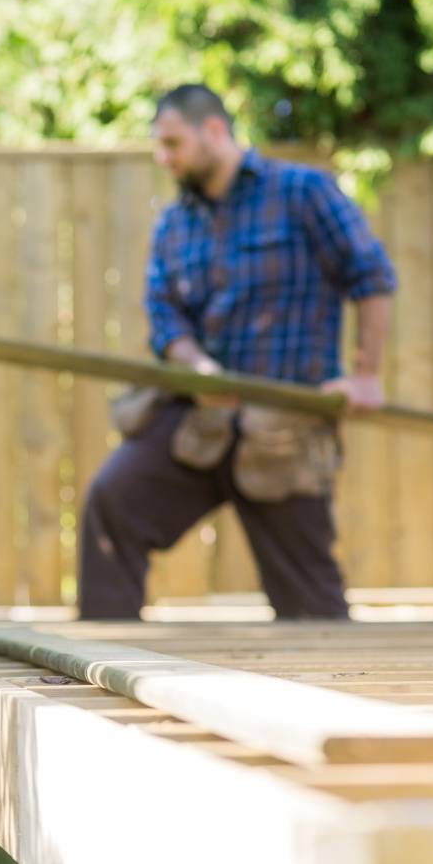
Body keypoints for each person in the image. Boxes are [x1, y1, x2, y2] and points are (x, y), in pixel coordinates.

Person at [78, 84, 397, 620]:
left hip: (284, 434)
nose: (165, 158)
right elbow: (165, 318)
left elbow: (372, 274)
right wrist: (198, 369)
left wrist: (366, 374)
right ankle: (95, 671)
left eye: (173, 143)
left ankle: (332, 687)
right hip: (198, 424)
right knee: (113, 503)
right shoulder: (176, 223)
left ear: (215, 131)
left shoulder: (302, 193)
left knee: (312, 607)